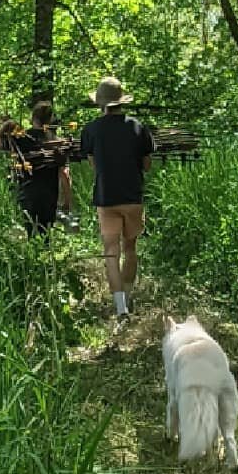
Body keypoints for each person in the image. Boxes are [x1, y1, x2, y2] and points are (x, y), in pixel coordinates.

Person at [80, 75, 153, 319]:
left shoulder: (90, 130)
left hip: (105, 196)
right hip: (132, 195)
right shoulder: (137, 126)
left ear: (100, 103)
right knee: (130, 248)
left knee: (111, 250)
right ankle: (128, 296)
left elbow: (93, 164)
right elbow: (147, 165)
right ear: (122, 101)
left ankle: (120, 308)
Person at [0, 100, 73, 236]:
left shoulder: (21, 139)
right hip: (50, 196)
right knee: (45, 235)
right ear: (50, 119)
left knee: (31, 235)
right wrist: (67, 200)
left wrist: (4, 126)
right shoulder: (56, 143)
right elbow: (64, 174)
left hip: (27, 194)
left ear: (32, 117)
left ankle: (35, 256)